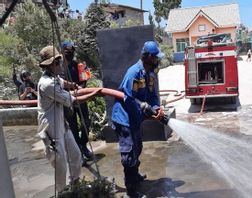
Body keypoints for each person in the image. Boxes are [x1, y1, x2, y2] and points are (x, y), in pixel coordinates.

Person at [37, 46, 101, 191]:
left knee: (76, 155)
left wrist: (72, 84)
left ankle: (75, 185)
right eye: (58, 62)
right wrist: (94, 95)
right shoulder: (47, 84)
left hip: (61, 124)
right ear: (50, 65)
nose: (61, 64)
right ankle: (62, 192)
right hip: (51, 128)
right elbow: (73, 100)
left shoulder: (53, 77)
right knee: (60, 165)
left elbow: (62, 82)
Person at [111, 41, 165, 197]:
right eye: (156, 58)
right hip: (124, 118)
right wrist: (142, 105)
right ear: (148, 57)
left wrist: (155, 107)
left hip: (135, 118)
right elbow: (128, 97)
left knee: (137, 147)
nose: (157, 60)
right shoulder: (134, 73)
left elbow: (153, 95)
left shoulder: (150, 75)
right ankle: (130, 188)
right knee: (128, 152)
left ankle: (134, 175)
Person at [61, 41, 93, 162]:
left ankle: (83, 145)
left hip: (80, 99)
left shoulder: (78, 65)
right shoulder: (59, 67)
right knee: (73, 126)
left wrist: (81, 89)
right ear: (62, 51)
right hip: (68, 101)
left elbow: (84, 80)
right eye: (67, 51)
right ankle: (79, 151)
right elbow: (59, 85)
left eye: (72, 51)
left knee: (86, 122)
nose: (70, 53)